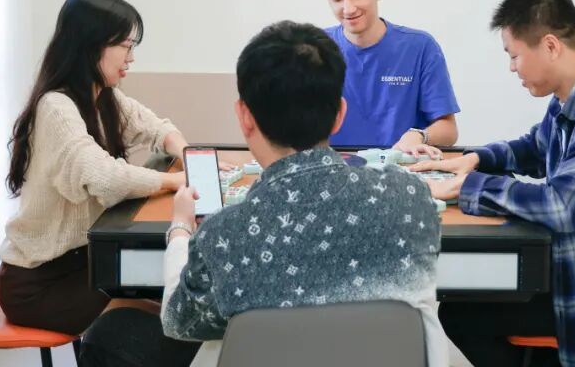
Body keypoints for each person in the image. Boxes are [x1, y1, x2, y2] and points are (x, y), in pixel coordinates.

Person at [78, 21, 446, 367]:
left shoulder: (224, 234)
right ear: (340, 114)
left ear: (244, 117)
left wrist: (180, 229)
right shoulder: (411, 199)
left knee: (109, 332)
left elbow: (180, 321)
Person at [414, 0, 575, 367]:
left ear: (550, 46)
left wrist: (470, 187)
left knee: (462, 314)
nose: (512, 67)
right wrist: (476, 160)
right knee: (463, 300)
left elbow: (564, 206)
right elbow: (536, 147)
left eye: (514, 55)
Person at [0, 0, 191, 336]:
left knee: (167, 294)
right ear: (92, 46)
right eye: (126, 46)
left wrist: (190, 158)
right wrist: (175, 181)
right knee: (161, 306)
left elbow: (156, 128)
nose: (131, 58)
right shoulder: (56, 108)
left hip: (80, 263)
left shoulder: (104, 96)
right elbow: (104, 177)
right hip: (38, 285)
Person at [312, 0, 459, 154]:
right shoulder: (315, 49)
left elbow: (449, 130)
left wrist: (420, 135)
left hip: (402, 167)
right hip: (334, 168)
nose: (348, 8)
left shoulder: (420, 47)